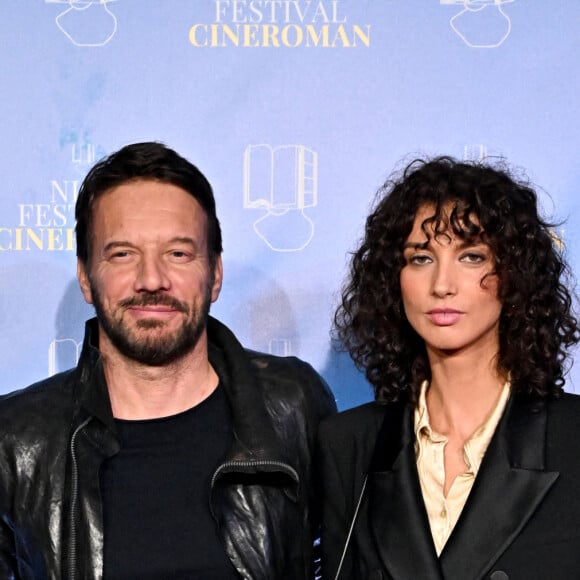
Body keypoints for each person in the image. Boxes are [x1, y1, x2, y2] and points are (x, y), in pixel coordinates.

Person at [0, 142, 336, 579]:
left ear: (215, 273)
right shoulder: (15, 441)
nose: (151, 280)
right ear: (85, 276)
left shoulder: (294, 406)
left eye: (178, 254)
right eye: (123, 254)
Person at [318, 156, 580, 579]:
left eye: (471, 257)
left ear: (514, 274)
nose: (442, 284)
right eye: (420, 258)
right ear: (393, 278)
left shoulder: (571, 435)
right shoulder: (350, 444)